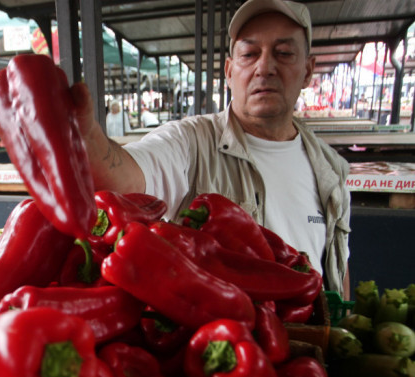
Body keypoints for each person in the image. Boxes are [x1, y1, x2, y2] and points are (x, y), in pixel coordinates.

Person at [72, 0, 351, 297]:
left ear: (308, 71)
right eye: (249, 54)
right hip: (231, 336)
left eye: (283, 53)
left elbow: (339, 268)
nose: (265, 67)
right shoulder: (191, 141)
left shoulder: (330, 169)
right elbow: (124, 182)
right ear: (230, 71)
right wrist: (86, 136)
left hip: (313, 339)